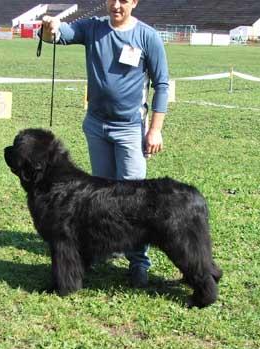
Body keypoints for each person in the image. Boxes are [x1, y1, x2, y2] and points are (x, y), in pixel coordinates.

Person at [41, 0, 169, 287]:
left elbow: (162, 83)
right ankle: (98, 250)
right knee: (100, 198)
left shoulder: (147, 36)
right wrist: (49, 28)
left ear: (134, 2)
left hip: (130, 129)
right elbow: (57, 36)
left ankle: (139, 262)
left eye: (124, 0)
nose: (117, 5)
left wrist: (155, 129)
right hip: (97, 127)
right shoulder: (92, 28)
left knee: (135, 199)